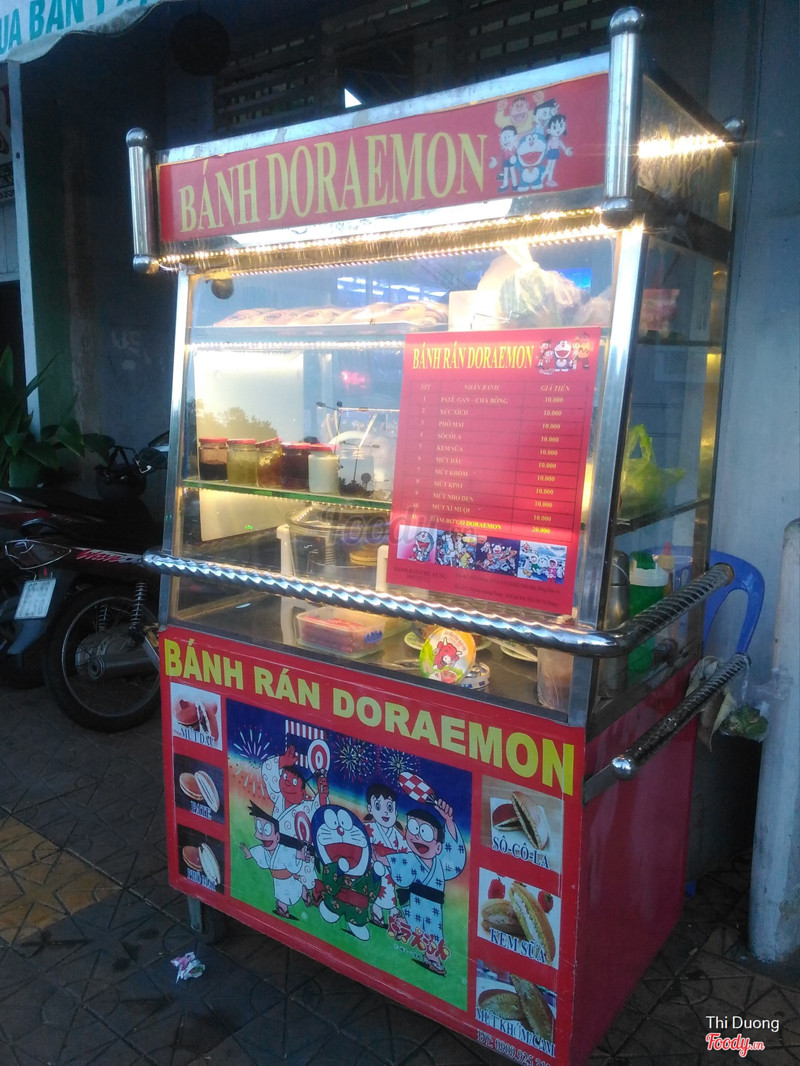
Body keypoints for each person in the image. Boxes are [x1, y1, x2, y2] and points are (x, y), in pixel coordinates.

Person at [388, 797, 466, 975]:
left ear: (438, 847)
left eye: (426, 833)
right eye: (414, 829)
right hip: (415, 899)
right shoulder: (411, 858)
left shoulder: (441, 862)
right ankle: (401, 924)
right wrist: (380, 858)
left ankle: (432, 958)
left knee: (433, 932)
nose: (418, 837)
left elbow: (454, 860)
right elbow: (398, 862)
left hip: (434, 906)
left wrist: (448, 821)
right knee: (413, 924)